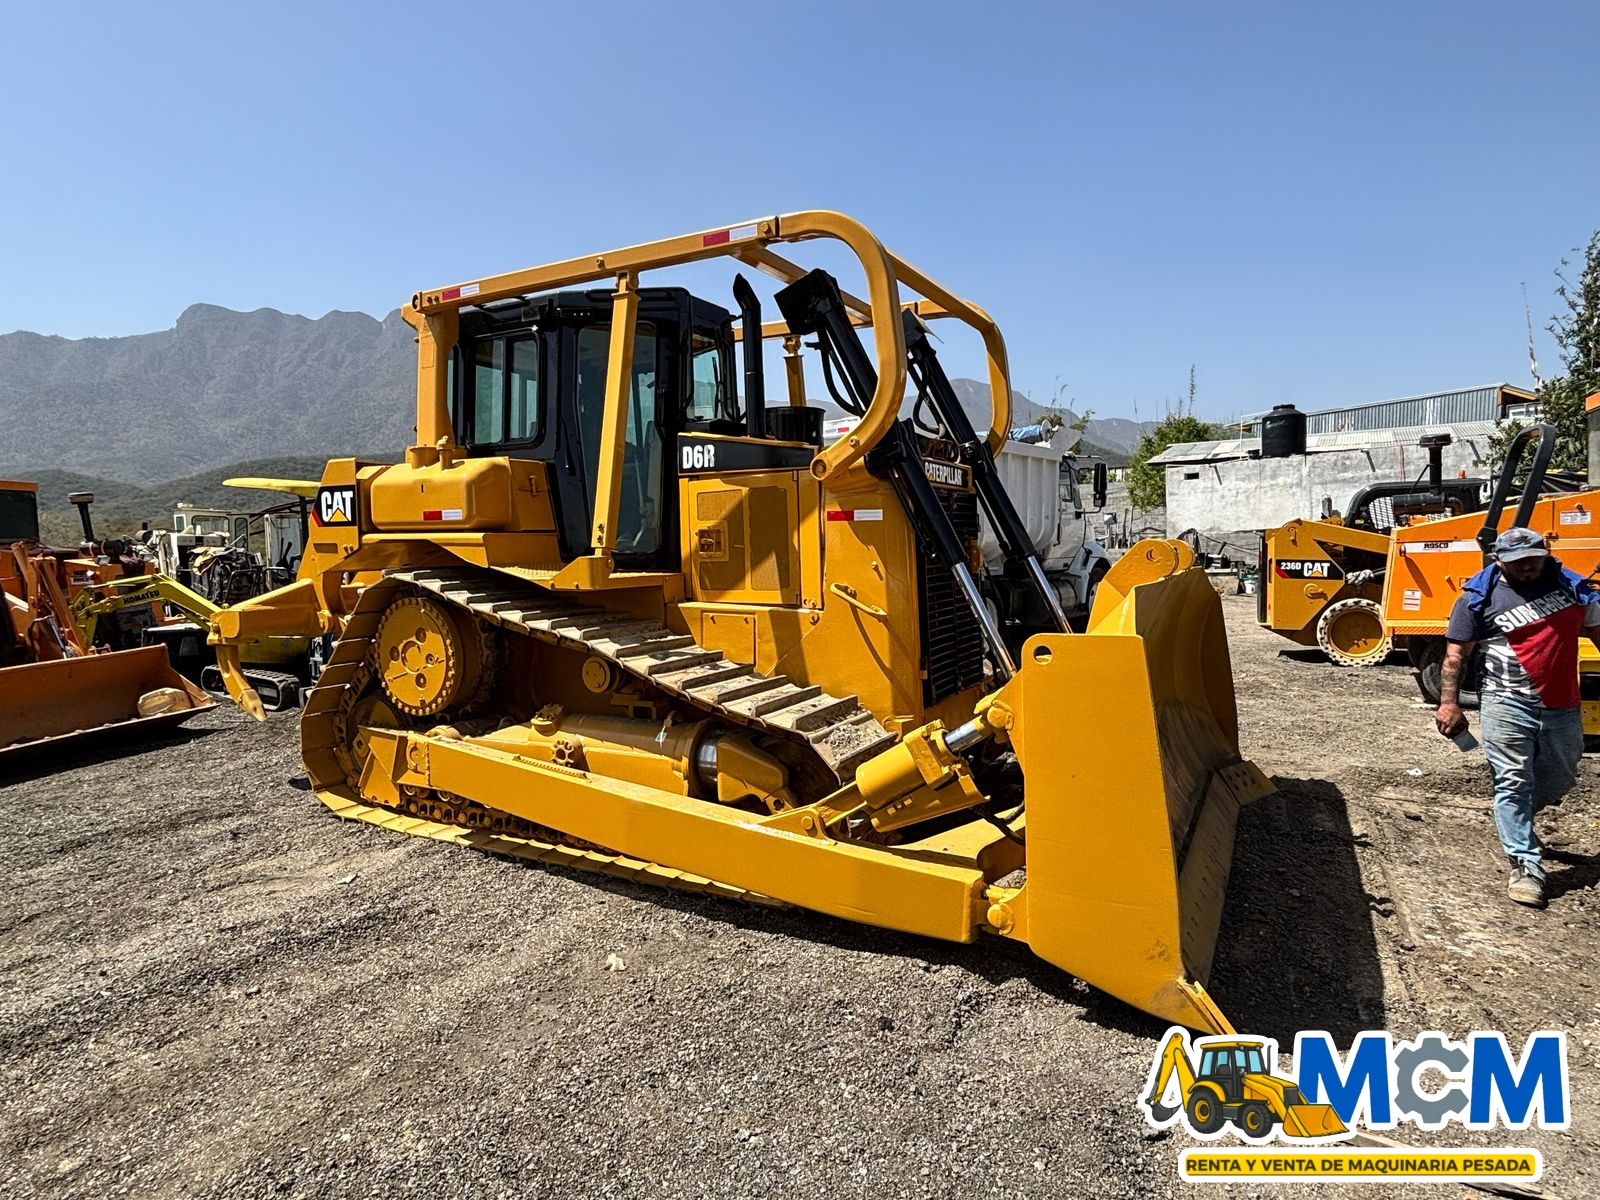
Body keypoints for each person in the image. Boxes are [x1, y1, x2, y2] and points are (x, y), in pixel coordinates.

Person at [1435, 527, 1600, 907]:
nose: (1527, 566)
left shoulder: (1573, 590)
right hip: (1505, 701)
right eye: (1518, 561)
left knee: (1561, 775)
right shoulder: (1478, 598)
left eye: (1534, 558)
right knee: (1512, 780)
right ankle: (1526, 864)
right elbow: (1456, 655)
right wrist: (1449, 702)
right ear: (1499, 560)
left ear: (1545, 554)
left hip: (1562, 703)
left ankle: (1517, 821)